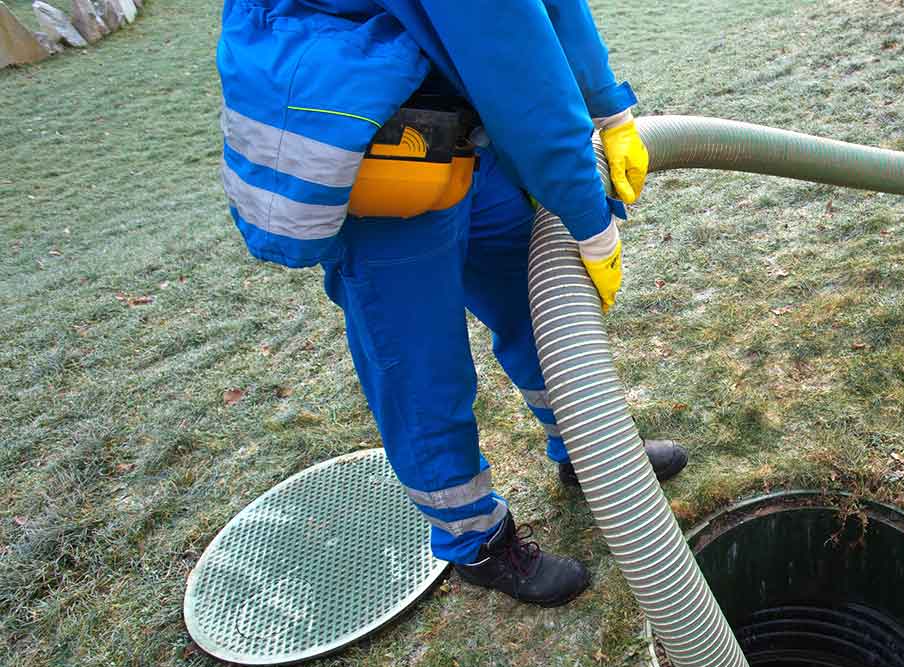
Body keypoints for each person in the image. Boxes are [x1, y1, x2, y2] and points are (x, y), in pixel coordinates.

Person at [216, 0, 686, 607]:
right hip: (378, 154)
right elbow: (517, 65)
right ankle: (477, 541)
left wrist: (611, 108)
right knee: (422, 368)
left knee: (533, 303)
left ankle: (587, 450)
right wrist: (590, 222)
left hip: (457, 120)